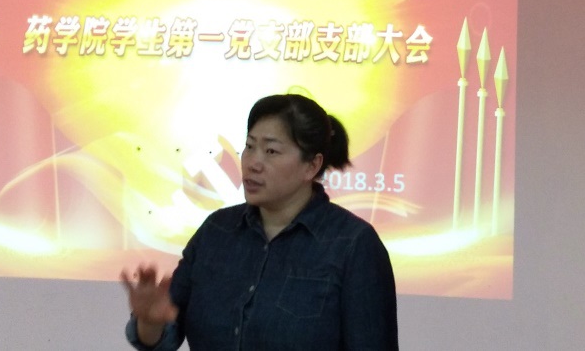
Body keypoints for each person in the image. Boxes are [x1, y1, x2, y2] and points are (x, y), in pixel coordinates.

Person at [121, 93, 399, 351]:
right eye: (250, 147)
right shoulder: (216, 231)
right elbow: (164, 338)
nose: (253, 163)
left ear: (312, 166)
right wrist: (150, 322)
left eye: (271, 151)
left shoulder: (352, 244)